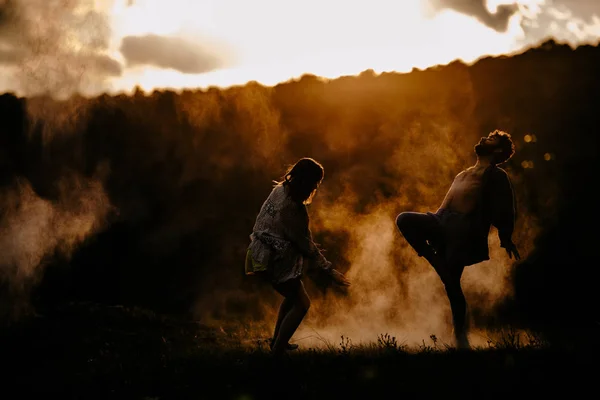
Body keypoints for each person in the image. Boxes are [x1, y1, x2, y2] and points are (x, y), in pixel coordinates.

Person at [395, 130, 521, 349]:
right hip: (442, 222)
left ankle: (460, 337)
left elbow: (504, 209)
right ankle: (436, 263)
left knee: (452, 285)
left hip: (465, 234)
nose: (483, 139)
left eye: (490, 139)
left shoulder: (496, 176)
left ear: (498, 150)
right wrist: (433, 227)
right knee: (404, 219)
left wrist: (505, 237)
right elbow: (444, 206)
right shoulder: (463, 174)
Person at [245, 157, 350, 356]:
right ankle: (277, 351)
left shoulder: (280, 190)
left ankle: (279, 341)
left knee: (293, 296)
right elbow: (304, 243)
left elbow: (301, 236)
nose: (316, 187)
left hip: (261, 253)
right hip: (272, 259)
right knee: (302, 304)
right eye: (315, 182)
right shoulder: (292, 208)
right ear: (307, 181)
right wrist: (329, 270)